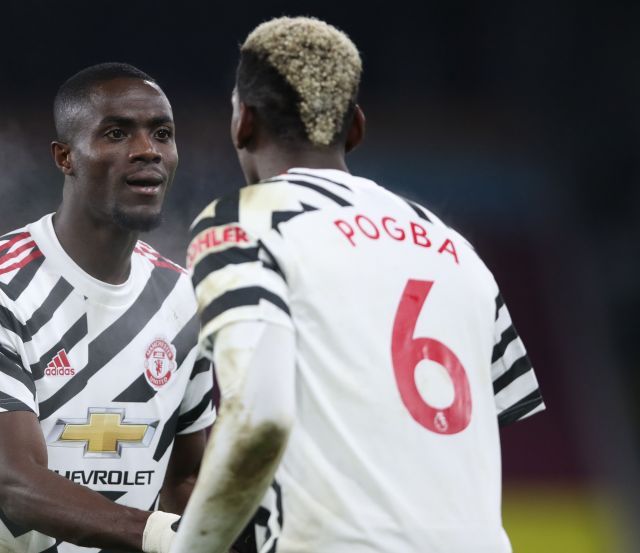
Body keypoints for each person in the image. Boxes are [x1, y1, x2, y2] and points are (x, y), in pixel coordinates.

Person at [171, 17, 545, 553]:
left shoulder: (241, 222)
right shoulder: (456, 248)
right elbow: (481, 430)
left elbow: (260, 419)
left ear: (242, 124)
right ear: (355, 128)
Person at [0, 62, 216, 553]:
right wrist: (164, 535)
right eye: (117, 133)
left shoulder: (186, 300)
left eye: (162, 133)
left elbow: (186, 480)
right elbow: (13, 482)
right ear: (65, 157)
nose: (148, 150)